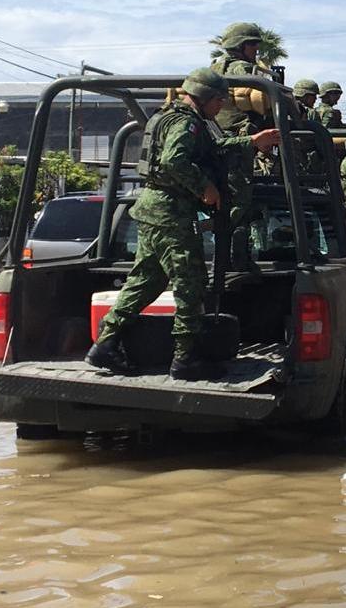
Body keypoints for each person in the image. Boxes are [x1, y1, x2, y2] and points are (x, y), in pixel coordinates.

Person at [85, 68, 280, 380]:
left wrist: (251, 142)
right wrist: (205, 187)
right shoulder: (185, 122)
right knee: (191, 283)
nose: (221, 107)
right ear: (204, 98)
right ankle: (185, 360)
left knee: (146, 280)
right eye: (219, 100)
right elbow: (175, 161)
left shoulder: (170, 117)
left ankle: (105, 344)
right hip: (170, 214)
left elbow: (210, 149)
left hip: (153, 210)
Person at [210, 21, 268, 271]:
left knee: (222, 203)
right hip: (239, 145)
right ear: (241, 46)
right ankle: (236, 262)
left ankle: (222, 258)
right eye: (253, 44)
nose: (256, 49)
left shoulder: (213, 69)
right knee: (239, 206)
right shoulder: (246, 71)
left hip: (214, 143)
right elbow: (266, 103)